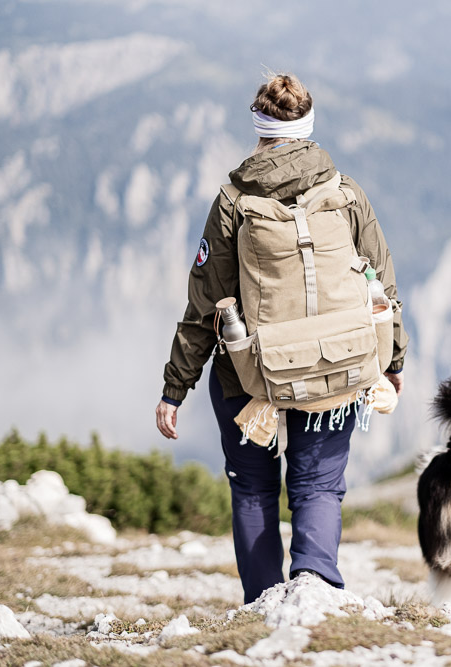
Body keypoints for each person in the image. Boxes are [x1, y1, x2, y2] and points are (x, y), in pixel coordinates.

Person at [155, 72, 408, 604]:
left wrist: (174, 388)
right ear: (308, 127)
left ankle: (264, 602)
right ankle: (313, 592)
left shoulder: (232, 201)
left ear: (259, 127)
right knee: (316, 485)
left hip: (250, 374)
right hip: (334, 365)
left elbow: (205, 304)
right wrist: (393, 361)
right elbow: (381, 281)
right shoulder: (344, 192)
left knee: (252, 488)